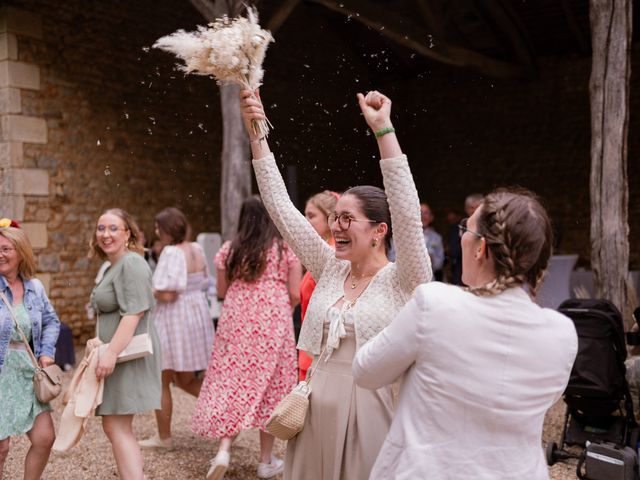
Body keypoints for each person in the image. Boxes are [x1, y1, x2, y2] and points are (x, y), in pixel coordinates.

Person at [241, 89, 432, 479]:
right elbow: (280, 208)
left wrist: (384, 131)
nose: (336, 227)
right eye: (335, 217)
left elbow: (408, 214)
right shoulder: (329, 266)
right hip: (312, 406)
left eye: (348, 219)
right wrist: (257, 133)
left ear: (379, 231)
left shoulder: (405, 278)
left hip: (371, 410)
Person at [353, 189, 578, 479]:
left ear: (480, 248)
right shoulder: (563, 333)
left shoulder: (433, 304)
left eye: (465, 228)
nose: (462, 236)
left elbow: (366, 372)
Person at [192, 195, 301, 480]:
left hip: (235, 318)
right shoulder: (284, 249)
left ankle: (224, 449)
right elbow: (294, 292)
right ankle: (266, 461)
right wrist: (280, 311)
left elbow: (220, 291)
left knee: (233, 380)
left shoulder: (230, 249)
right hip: (272, 318)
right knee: (273, 384)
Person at [89, 208, 161, 479]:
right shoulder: (112, 265)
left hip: (125, 354)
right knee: (113, 425)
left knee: (117, 426)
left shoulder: (132, 263)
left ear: (128, 233)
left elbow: (134, 313)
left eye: (113, 228)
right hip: (115, 354)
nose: (105, 234)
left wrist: (111, 353)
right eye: (100, 228)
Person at [139, 207, 214, 450]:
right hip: (195, 313)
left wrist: (147, 291)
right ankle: (225, 410)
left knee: (161, 379)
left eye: (158, 227)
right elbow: (203, 281)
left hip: (174, 318)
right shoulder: (197, 248)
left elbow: (169, 294)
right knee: (185, 379)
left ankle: (164, 438)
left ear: (167, 229)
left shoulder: (171, 252)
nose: (155, 231)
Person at [0, 218, 60, 480]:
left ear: (20, 251)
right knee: (1, 448)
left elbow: (51, 321)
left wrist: (46, 352)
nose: (0, 254)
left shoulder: (35, 288)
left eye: (5, 248)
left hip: (27, 370)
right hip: (1, 374)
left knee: (45, 437)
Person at [299, 190, 339, 381]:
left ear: (330, 218)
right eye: (305, 215)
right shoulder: (320, 252)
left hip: (321, 347)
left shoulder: (333, 254)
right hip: (311, 342)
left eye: (312, 216)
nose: (306, 220)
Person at [448, 193, 483, 285]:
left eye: (478, 207)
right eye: (471, 207)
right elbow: (454, 252)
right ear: (466, 209)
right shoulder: (458, 228)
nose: (475, 210)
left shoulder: (490, 227)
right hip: (462, 272)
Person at [420, 202, 444, 281]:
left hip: (429, 280)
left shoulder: (437, 238)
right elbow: (391, 257)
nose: (423, 216)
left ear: (431, 217)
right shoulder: (404, 236)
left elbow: (440, 263)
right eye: (420, 212)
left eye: (426, 213)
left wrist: (432, 260)